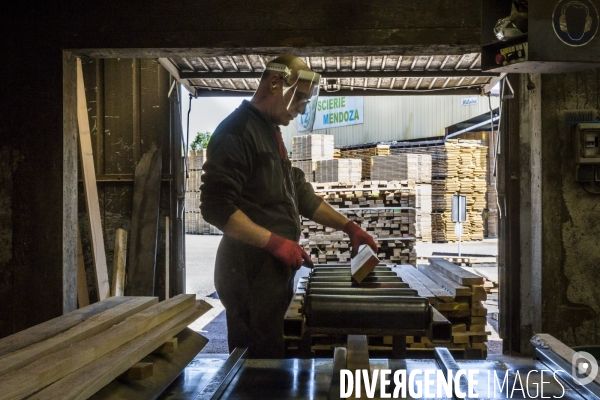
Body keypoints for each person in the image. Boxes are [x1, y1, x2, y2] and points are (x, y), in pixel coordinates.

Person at [200, 55, 377, 358]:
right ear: (274, 83)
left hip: (269, 271)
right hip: (247, 273)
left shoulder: (270, 132)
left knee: (273, 360)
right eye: (300, 99)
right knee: (255, 368)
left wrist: (350, 227)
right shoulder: (237, 132)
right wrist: (276, 243)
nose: (303, 109)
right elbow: (216, 207)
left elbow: (299, 193)